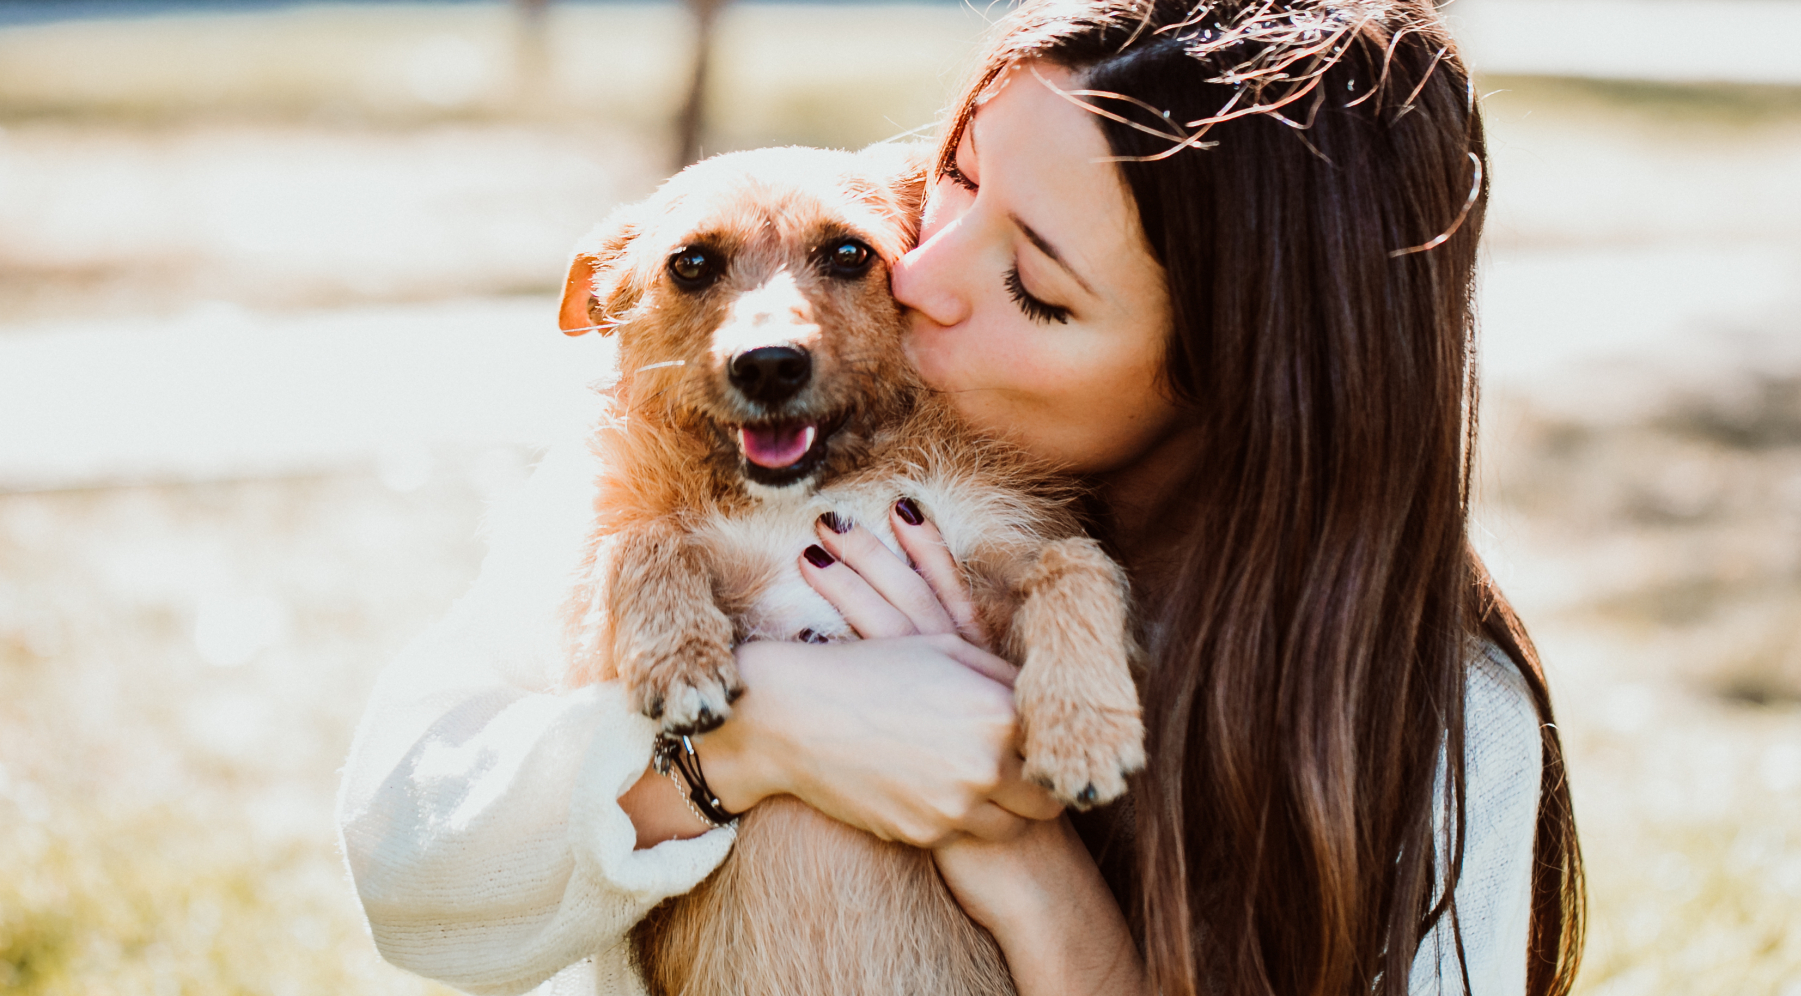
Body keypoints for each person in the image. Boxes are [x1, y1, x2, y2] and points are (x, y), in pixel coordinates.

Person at [338, 0, 1586, 993]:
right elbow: (409, 863)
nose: (917, 276)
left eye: (1033, 282)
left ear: (1236, 375)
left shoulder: (1441, 726)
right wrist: (755, 739)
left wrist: (1019, 853)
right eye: (948, 185)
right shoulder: (692, 461)